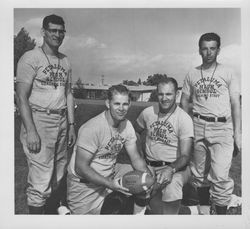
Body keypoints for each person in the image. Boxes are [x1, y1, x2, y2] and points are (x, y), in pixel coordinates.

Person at [16, 14, 76, 214]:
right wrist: (31, 130)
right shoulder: (30, 58)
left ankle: (51, 219)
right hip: (39, 119)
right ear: (43, 32)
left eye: (61, 31)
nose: (57, 35)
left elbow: (68, 94)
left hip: (61, 120)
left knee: (58, 176)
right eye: (53, 30)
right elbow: (21, 97)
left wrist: (71, 125)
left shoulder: (65, 60)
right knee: (41, 180)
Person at [180, 32, 241, 214]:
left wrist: (237, 133)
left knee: (220, 177)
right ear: (200, 50)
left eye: (212, 48)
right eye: (205, 49)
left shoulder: (228, 72)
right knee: (199, 175)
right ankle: (206, 214)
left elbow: (235, 103)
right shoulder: (192, 73)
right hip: (198, 126)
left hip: (222, 127)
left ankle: (221, 217)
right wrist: (186, 129)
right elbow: (184, 102)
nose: (208, 52)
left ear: (218, 50)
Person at [67, 84, 151, 214]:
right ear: (108, 103)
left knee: (144, 177)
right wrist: (110, 184)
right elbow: (81, 167)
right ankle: (64, 210)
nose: (121, 108)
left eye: (125, 104)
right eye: (117, 104)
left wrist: (148, 178)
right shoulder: (92, 128)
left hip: (110, 173)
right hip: (85, 184)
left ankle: (137, 220)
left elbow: (135, 158)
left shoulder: (126, 125)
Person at [134, 77, 194, 214]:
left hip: (176, 168)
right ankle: (186, 212)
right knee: (135, 187)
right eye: (161, 94)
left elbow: (185, 156)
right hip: (150, 167)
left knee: (172, 187)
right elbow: (134, 133)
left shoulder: (184, 119)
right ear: (156, 93)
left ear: (176, 95)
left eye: (169, 94)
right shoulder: (148, 112)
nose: (164, 98)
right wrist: (141, 159)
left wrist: (170, 169)